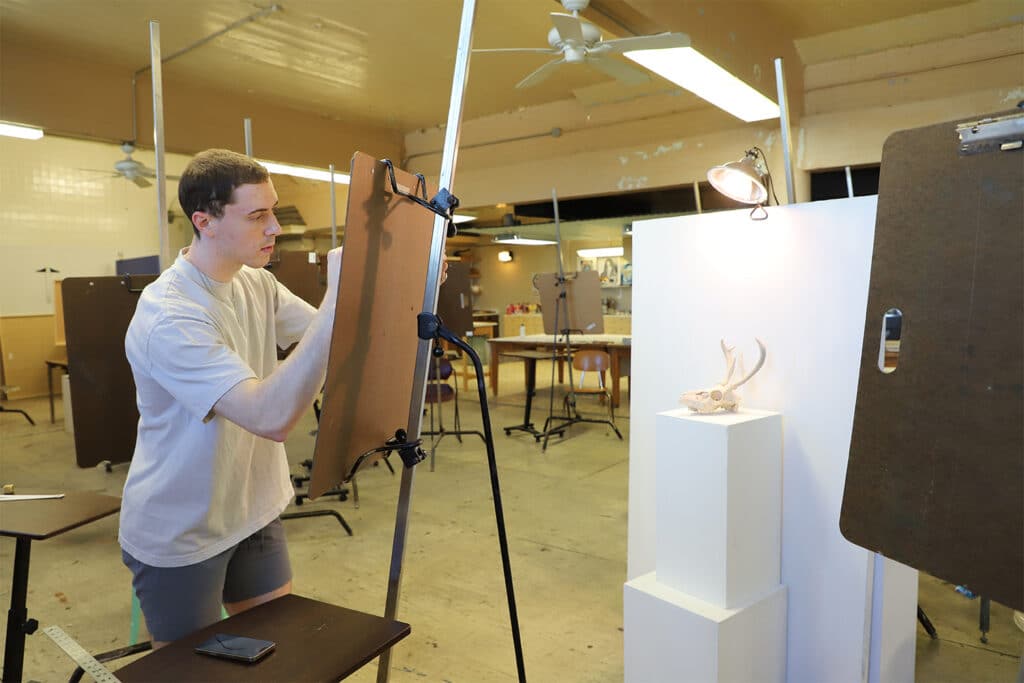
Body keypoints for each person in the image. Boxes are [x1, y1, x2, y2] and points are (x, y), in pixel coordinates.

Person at [118, 148, 343, 648]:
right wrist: (337, 298)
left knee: (276, 653)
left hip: (252, 507)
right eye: (258, 215)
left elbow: (335, 340)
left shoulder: (256, 284)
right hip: (185, 526)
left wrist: (395, 287)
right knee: (190, 673)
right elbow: (271, 416)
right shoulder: (170, 315)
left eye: (274, 211)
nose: (275, 229)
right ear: (206, 221)